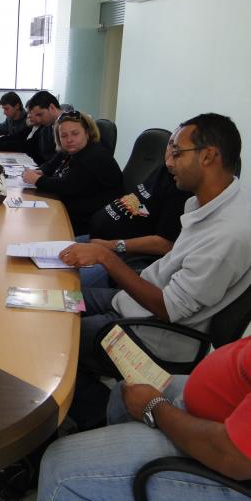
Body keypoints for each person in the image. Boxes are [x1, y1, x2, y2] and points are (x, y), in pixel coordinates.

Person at [59, 113, 251, 374]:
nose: (169, 162)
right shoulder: (212, 200)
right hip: (132, 302)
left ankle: (90, 404)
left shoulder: (228, 234)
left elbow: (168, 308)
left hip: (152, 333)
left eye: (177, 153)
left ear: (208, 156)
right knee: (54, 304)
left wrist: (106, 257)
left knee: (53, 337)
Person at [37, 335, 251, 501]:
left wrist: (154, 406)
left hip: (224, 460)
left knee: (60, 467)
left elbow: (231, 455)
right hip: (218, 411)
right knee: (122, 393)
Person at [78, 160, 191, 288]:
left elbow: (165, 244)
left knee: (60, 281)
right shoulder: (163, 169)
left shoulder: (183, 189)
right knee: (53, 255)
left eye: (178, 152)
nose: (170, 157)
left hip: (118, 254)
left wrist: (112, 246)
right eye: (170, 145)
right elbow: (140, 201)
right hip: (98, 240)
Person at [22, 110, 123, 236]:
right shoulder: (72, 150)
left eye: (75, 134)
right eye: (63, 136)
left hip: (90, 226)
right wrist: (40, 171)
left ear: (87, 133)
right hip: (69, 213)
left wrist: (37, 180)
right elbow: (50, 165)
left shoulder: (94, 156)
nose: (69, 140)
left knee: (30, 229)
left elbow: (66, 187)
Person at [0, 90, 63, 165]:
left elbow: (28, 145)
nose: (29, 116)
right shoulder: (47, 125)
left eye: (39, 114)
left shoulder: (57, 126)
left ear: (52, 108)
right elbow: (19, 136)